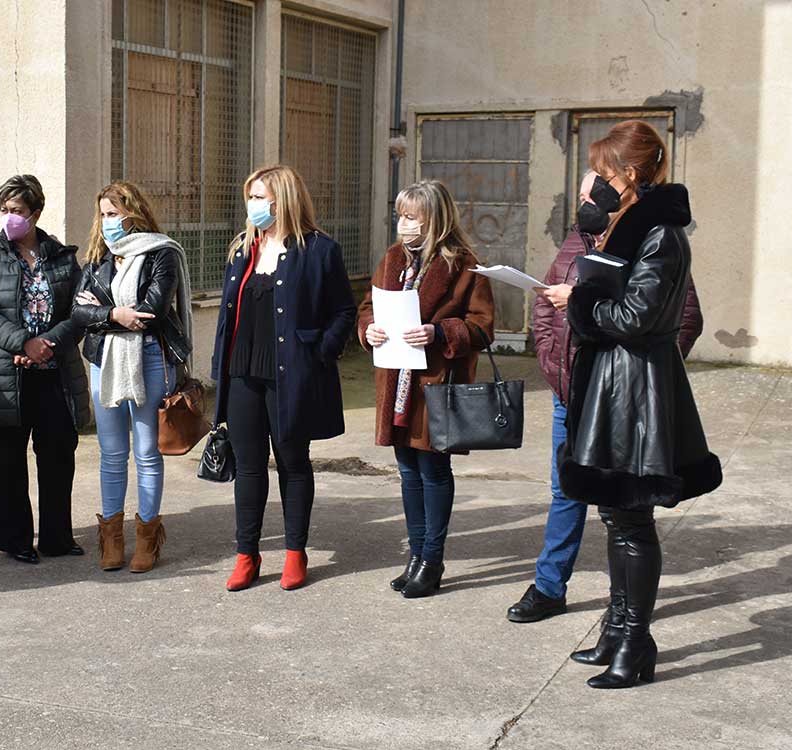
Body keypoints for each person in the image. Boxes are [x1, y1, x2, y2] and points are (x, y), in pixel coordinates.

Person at [557, 120, 724, 689]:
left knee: (632, 521)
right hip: (611, 383)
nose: (598, 185)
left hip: (636, 387)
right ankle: (618, 627)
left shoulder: (661, 235)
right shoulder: (630, 227)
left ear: (630, 174)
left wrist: (578, 301)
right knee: (615, 515)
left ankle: (637, 643)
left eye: (604, 174)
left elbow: (633, 318)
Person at [505, 170, 704, 623]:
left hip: (618, 395)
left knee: (625, 511)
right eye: (577, 193)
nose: (582, 202)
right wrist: (550, 360)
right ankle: (550, 587)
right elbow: (544, 300)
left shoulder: (647, 241)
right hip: (569, 389)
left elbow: (682, 315)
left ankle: (624, 623)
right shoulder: (577, 242)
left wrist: (647, 374)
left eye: (588, 192)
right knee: (565, 491)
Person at [211, 165, 357, 592]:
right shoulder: (243, 248)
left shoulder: (319, 250)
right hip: (242, 372)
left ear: (284, 199)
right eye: (251, 197)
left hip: (291, 374)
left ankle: (295, 552)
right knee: (250, 467)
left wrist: (320, 352)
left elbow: (344, 310)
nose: (253, 206)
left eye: (261, 198)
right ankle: (246, 554)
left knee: (293, 463)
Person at [356, 181, 495, 598]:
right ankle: (415, 555)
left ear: (434, 219)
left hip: (435, 383)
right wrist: (370, 329)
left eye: (411, 217)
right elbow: (368, 306)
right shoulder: (394, 259)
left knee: (433, 470)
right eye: (400, 215)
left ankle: (432, 560)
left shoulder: (464, 264)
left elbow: (483, 326)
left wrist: (439, 331)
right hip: (396, 382)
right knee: (407, 470)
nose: (403, 224)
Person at [0, 175, 91, 564]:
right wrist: (22, 342)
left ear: (35, 213)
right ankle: (13, 538)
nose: (9, 218)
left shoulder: (62, 258)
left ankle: (57, 536)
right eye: (4, 211)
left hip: (54, 372)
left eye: (17, 211)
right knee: (7, 459)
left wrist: (46, 343)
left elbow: (80, 310)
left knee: (58, 453)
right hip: (7, 373)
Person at [72, 181, 193, 573]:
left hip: (150, 360)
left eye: (115, 213)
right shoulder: (96, 259)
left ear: (134, 213)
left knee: (146, 451)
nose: (108, 222)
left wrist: (103, 310)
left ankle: (146, 538)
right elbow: (78, 312)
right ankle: (111, 538)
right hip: (103, 362)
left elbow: (152, 309)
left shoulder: (161, 253)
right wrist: (114, 315)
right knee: (111, 453)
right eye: (104, 214)